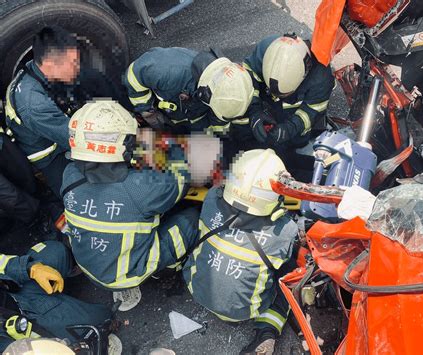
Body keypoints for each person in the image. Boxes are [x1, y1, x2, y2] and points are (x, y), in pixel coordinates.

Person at [61, 100, 199, 310]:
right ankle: (169, 267)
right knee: (191, 218)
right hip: (124, 274)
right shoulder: (139, 189)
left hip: (89, 264)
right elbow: (181, 179)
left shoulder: (69, 174)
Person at [182, 149, 298, 355]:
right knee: (293, 269)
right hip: (244, 310)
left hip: (197, 290)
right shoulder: (286, 231)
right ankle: (267, 331)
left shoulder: (211, 200)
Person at [4, 26, 123, 199]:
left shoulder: (33, 69)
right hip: (50, 155)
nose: (77, 67)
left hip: (53, 130)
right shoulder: (34, 105)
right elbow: (75, 138)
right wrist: (119, 144)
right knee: (88, 195)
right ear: (50, 64)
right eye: (72, 63)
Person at [0, 241, 115, 351]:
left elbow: (2, 263)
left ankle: (62, 296)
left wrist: (30, 269)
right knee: (97, 323)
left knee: (56, 252)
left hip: (14, 291)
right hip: (25, 323)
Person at [235, 34, 334, 151]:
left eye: (283, 95)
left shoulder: (321, 77)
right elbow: (248, 79)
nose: (276, 98)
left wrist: (290, 128)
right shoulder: (265, 50)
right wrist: (254, 111)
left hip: (296, 116)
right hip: (268, 106)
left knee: (298, 141)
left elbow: (312, 111)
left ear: (304, 74)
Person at [123, 47, 254, 134]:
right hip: (168, 109)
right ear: (206, 95)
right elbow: (133, 76)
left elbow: (221, 118)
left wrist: (221, 137)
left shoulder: (233, 90)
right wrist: (146, 109)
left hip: (193, 113)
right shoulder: (164, 70)